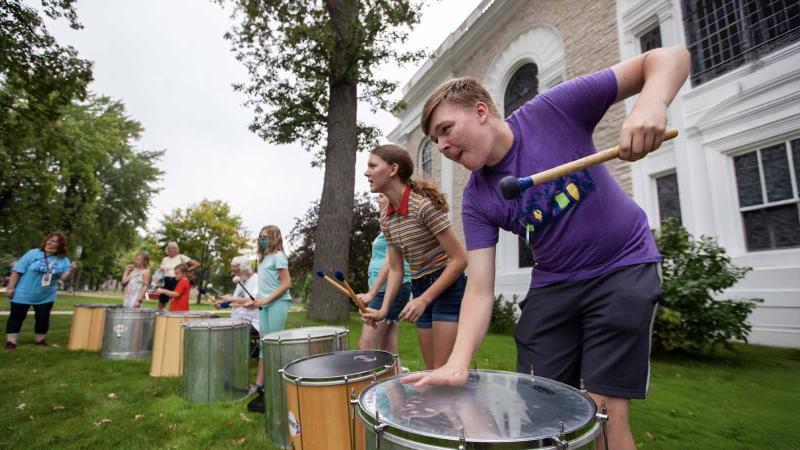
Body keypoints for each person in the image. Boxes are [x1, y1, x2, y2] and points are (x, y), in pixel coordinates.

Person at [402, 46, 691, 450]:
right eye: (436, 140)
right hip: (554, 284)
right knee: (540, 408)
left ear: (481, 111)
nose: (443, 146)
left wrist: (650, 105)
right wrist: (457, 362)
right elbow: (480, 288)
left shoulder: (553, 110)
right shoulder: (477, 198)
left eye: (446, 129)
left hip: (622, 266)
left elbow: (668, 57)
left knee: (604, 412)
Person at [362, 145, 468, 370]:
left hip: (446, 286)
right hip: (419, 286)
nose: (366, 172)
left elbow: (460, 260)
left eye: (372, 166)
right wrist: (383, 310)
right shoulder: (386, 218)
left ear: (393, 170)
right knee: (432, 370)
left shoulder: (423, 207)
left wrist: (424, 300)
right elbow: (396, 268)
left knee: (444, 370)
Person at [242, 225, 292, 413]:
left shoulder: (279, 256)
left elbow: (286, 283)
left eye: (265, 237)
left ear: (274, 238)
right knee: (264, 344)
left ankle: (276, 386)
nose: (261, 240)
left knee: (274, 345)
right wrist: (255, 300)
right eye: (260, 236)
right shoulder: (262, 258)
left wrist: (266, 300)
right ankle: (259, 385)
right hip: (264, 304)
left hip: (278, 304)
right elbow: (264, 287)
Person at [356, 194, 412, 354]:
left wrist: (371, 293)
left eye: (381, 196)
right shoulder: (388, 222)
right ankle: (395, 372)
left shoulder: (396, 222)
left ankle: (370, 374)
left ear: (390, 198)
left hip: (389, 289)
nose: (377, 199)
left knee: (366, 346)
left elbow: (391, 261)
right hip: (388, 289)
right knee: (388, 348)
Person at [5, 232, 77, 350]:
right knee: (16, 317)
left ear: (60, 245)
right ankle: (11, 342)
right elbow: (17, 271)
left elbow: (64, 279)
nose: (50, 242)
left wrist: (71, 271)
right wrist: (10, 287)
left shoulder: (63, 260)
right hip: (23, 293)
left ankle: (40, 340)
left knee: (42, 318)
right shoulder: (33, 253)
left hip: (46, 295)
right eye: (49, 240)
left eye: (54, 241)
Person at [157, 242, 199, 311]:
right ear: (167, 249)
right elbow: (160, 270)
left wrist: (186, 271)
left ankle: (178, 311)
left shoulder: (181, 257)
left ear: (177, 249)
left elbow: (196, 264)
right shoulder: (165, 259)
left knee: (176, 297)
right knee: (162, 300)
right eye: (169, 248)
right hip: (165, 280)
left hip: (176, 280)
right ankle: (160, 314)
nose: (171, 249)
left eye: (173, 248)